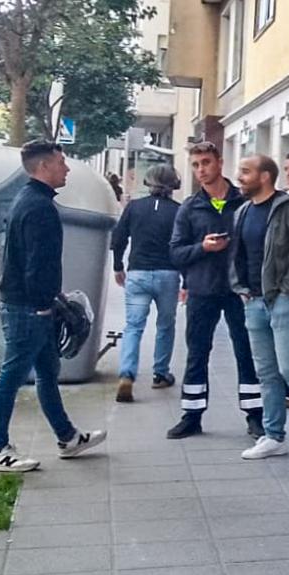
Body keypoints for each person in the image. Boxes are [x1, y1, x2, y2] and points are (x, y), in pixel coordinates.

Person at [0, 140, 106, 472]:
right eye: (61, 162)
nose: (66, 168)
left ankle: (67, 437)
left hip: (34, 304)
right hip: (29, 308)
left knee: (48, 373)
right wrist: (41, 303)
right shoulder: (38, 207)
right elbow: (37, 262)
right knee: (12, 375)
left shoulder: (30, 200)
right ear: (43, 167)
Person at [166, 141, 263, 439]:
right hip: (202, 291)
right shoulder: (190, 207)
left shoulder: (244, 202)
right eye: (195, 165)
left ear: (220, 163)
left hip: (238, 291)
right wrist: (203, 247)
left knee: (247, 352)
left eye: (206, 162)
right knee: (197, 353)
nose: (201, 170)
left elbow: (256, 245)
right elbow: (175, 253)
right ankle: (192, 415)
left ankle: (255, 415)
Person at [230, 154, 289, 460]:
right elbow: (238, 255)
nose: (239, 176)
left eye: (245, 171)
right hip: (253, 300)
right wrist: (241, 288)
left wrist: (288, 290)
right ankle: (274, 436)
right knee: (266, 372)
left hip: (287, 300)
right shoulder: (242, 211)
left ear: (264, 176)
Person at [111, 164, 182, 403]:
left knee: (133, 326)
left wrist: (118, 266)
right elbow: (183, 246)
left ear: (148, 182)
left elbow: (119, 238)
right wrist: (188, 280)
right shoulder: (178, 211)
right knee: (165, 324)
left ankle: (127, 374)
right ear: (174, 184)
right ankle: (160, 373)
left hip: (138, 272)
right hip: (168, 274)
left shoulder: (134, 207)